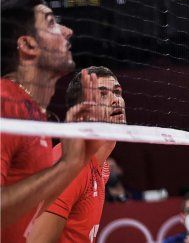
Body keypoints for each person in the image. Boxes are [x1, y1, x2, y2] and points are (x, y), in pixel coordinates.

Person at [1, 0, 103, 243]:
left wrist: (76, 162)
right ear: (27, 45)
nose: (67, 31)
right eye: (50, 23)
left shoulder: (33, 114)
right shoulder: (5, 105)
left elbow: (26, 209)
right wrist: (67, 165)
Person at [26, 66, 125, 243]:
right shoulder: (71, 168)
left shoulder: (102, 169)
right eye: (102, 94)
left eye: (117, 92)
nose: (115, 100)